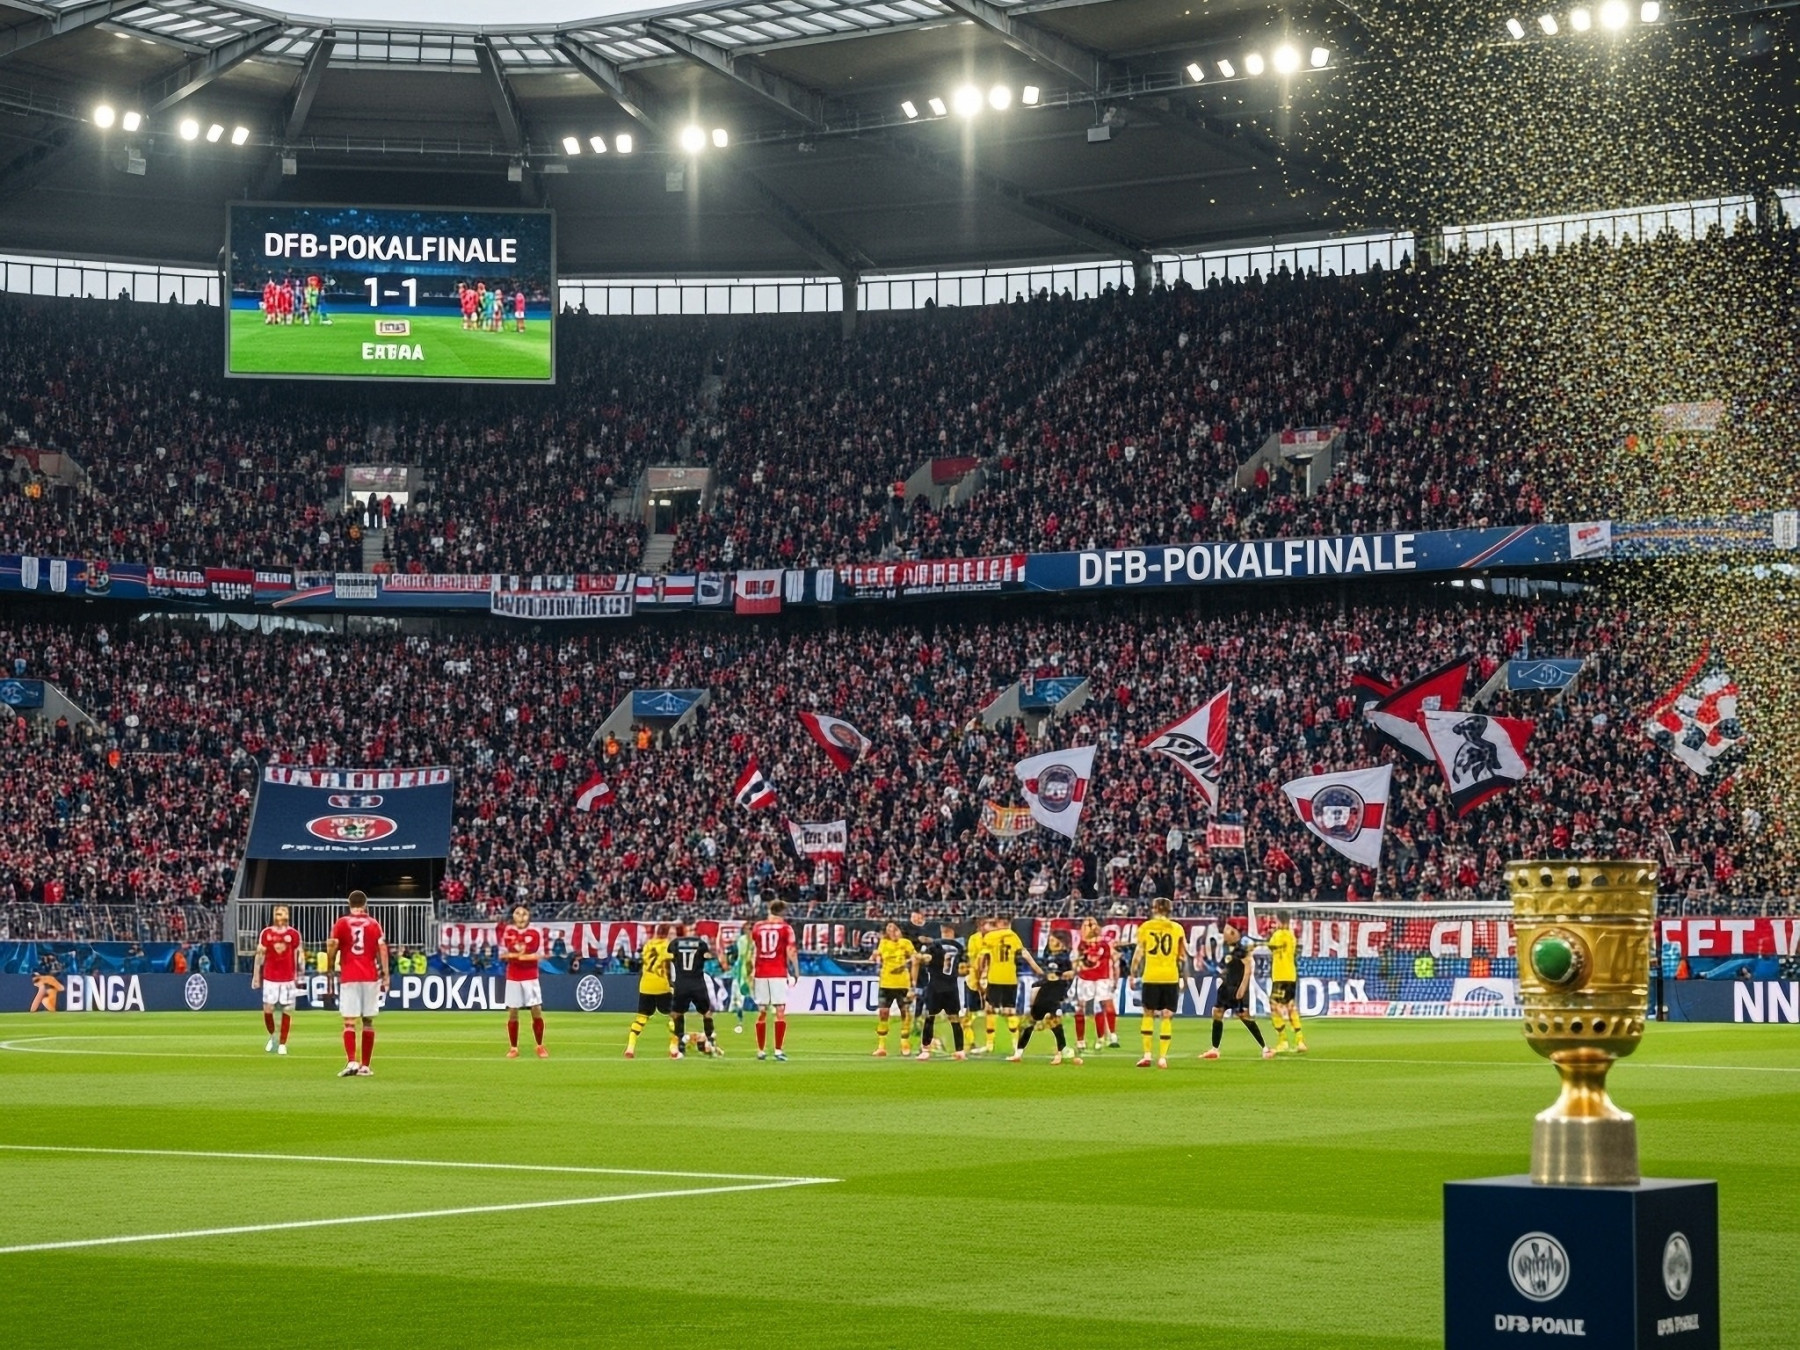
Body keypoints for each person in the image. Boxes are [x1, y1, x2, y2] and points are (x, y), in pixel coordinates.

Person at [325, 891, 388, 1078]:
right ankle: (365, 1066)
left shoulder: (342, 923)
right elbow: (382, 948)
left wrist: (329, 966)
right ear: (365, 904)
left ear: (349, 904)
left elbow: (332, 944)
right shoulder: (374, 923)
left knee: (349, 1021)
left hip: (350, 976)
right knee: (368, 1021)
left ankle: (352, 1061)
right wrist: (385, 974)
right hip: (370, 976)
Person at [1130, 898, 1187, 1069]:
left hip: (1151, 976)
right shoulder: (1177, 928)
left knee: (1148, 1014)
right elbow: (1182, 956)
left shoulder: (1146, 927)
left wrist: (1133, 973)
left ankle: (1147, 1054)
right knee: (1167, 1015)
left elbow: (1138, 953)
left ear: (1154, 909)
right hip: (1170, 976)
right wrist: (1182, 977)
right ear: (1170, 910)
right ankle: (1162, 1057)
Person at [1204, 920, 1272, 1061]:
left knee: (1244, 1016)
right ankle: (1214, 1049)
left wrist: (1242, 988)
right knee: (1217, 1013)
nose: (1224, 933)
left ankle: (1265, 1048)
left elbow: (1248, 969)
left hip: (1237, 988)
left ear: (1234, 932)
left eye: (1227, 930)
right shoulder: (1227, 947)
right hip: (1226, 987)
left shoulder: (1242, 948)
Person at [1010, 932, 1079, 1065]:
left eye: (1053, 940)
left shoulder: (1065, 957)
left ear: (1061, 942)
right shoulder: (1049, 957)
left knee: (1053, 1020)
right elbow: (1042, 973)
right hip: (1045, 989)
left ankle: (1059, 1053)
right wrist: (1029, 958)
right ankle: (1018, 1053)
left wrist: (1069, 974)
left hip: (1056, 990)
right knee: (1030, 1022)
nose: (1050, 943)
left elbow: (1072, 972)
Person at [978, 918, 1040, 1056]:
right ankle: (1016, 1046)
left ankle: (989, 1044)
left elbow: (982, 957)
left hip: (994, 977)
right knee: (1010, 1011)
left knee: (989, 1010)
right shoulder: (1013, 936)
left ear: (998, 923)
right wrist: (1037, 969)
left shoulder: (990, 936)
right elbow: (1024, 954)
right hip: (1010, 979)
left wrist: (979, 974)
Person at [251, 904, 303, 1055]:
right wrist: (256, 975)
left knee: (287, 1010)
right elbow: (260, 955)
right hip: (270, 978)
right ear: (275, 916)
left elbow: (299, 954)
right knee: (268, 1009)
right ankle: (273, 1035)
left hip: (288, 978)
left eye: (284, 913)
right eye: (279, 913)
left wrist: (301, 972)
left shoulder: (293, 934)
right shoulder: (266, 933)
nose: (282, 916)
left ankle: (282, 1043)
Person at [498, 903, 547, 1059]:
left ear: (529, 916)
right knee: (513, 1012)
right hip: (513, 976)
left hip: (531, 976)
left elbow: (541, 954)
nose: (521, 917)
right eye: (517, 913)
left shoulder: (535, 932)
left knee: (536, 1010)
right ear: (513, 916)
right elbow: (502, 954)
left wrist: (524, 957)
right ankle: (513, 1048)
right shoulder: (508, 932)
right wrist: (515, 956)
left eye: (524, 913)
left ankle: (540, 1046)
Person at [750, 899, 797, 1061]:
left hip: (761, 973)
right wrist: (796, 971)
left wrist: (751, 971)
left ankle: (761, 1050)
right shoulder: (786, 928)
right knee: (780, 1012)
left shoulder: (757, 927)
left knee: (762, 1011)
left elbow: (753, 950)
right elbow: (791, 950)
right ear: (783, 912)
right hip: (778, 972)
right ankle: (778, 1050)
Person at [914, 922, 967, 1061]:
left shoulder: (934, 944)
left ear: (942, 929)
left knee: (930, 1018)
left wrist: (919, 957)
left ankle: (925, 1049)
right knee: (955, 1019)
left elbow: (925, 959)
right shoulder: (959, 947)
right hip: (951, 987)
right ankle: (960, 1051)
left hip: (935, 986)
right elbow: (963, 967)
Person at [667, 922, 719, 1058]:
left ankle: (680, 1043)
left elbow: (668, 958)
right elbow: (709, 956)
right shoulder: (701, 943)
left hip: (681, 983)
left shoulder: (675, 943)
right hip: (697, 983)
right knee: (706, 1013)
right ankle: (710, 1040)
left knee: (677, 1013)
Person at [625, 924, 675, 1059]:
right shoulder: (667, 946)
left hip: (645, 985)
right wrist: (672, 984)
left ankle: (630, 1047)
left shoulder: (647, 945)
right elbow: (669, 967)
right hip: (661, 985)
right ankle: (674, 1049)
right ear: (666, 933)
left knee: (641, 1018)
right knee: (674, 1016)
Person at [1073, 916, 1120, 1052]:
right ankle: (1080, 1040)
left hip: (1102, 979)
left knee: (1103, 1006)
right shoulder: (1082, 945)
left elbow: (1114, 960)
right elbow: (1079, 963)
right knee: (1080, 1008)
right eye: (1085, 925)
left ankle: (1105, 1037)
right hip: (1085, 979)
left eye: (1088, 925)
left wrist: (1115, 978)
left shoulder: (1105, 944)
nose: (1086, 928)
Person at [871, 921, 917, 1058]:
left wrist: (913, 983)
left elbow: (915, 960)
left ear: (899, 930)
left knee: (905, 1013)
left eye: (894, 928)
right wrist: (875, 956)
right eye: (889, 928)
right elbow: (877, 956)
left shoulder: (906, 943)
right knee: (883, 1013)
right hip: (886, 983)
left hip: (902, 983)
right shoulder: (883, 943)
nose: (892, 931)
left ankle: (905, 1044)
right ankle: (881, 1046)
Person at [1264, 910, 1306, 1054]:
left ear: (1280, 921)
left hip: (1280, 976)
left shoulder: (1278, 935)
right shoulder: (1292, 936)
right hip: (1291, 975)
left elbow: (1271, 946)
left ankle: (1283, 1041)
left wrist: (1267, 936)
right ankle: (1300, 1040)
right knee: (1290, 1007)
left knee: (1274, 1006)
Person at [962, 917, 993, 1055]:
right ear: (980, 925)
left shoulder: (995, 939)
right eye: (987, 923)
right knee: (970, 1013)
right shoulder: (973, 939)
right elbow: (973, 960)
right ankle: (972, 1042)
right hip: (974, 980)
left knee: (991, 1011)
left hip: (992, 979)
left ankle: (989, 1044)